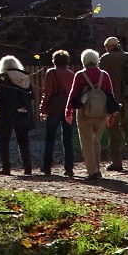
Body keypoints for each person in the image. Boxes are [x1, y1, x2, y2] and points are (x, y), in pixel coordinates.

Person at [66, 48, 117, 181]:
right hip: (101, 113)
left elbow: (73, 94)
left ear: (84, 61)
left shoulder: (80, 75)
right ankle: (97, 169)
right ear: (96, 60)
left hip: (84, 112)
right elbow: (110, 95)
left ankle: (92, 171)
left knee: (87, 142)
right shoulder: (104, 75)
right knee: (96, 141)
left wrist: (68, 111)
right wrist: (112, 114)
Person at [99, 36, 128, 171]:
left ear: (108, 47)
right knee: (126, 125)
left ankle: (117, 163)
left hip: (112, 100)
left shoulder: (104, 59)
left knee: (113, 131)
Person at [0, 55, 35, 175]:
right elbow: (32, 96)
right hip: (23, 112)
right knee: (23, 141)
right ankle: (27, 167)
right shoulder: (24, 77)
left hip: (6, 114)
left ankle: (6, 168)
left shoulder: (3, 78)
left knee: (4, 141)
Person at [38, 49, 76, 177]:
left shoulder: (51, 73)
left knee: (50, 139)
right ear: (67, 61)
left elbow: (47, 93)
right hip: (67, 109)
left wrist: (43, 108)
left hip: (54, 109)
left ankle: (47, 166)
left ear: (54, 61)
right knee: (68, 139)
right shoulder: (71, 74)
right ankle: (69, 168)